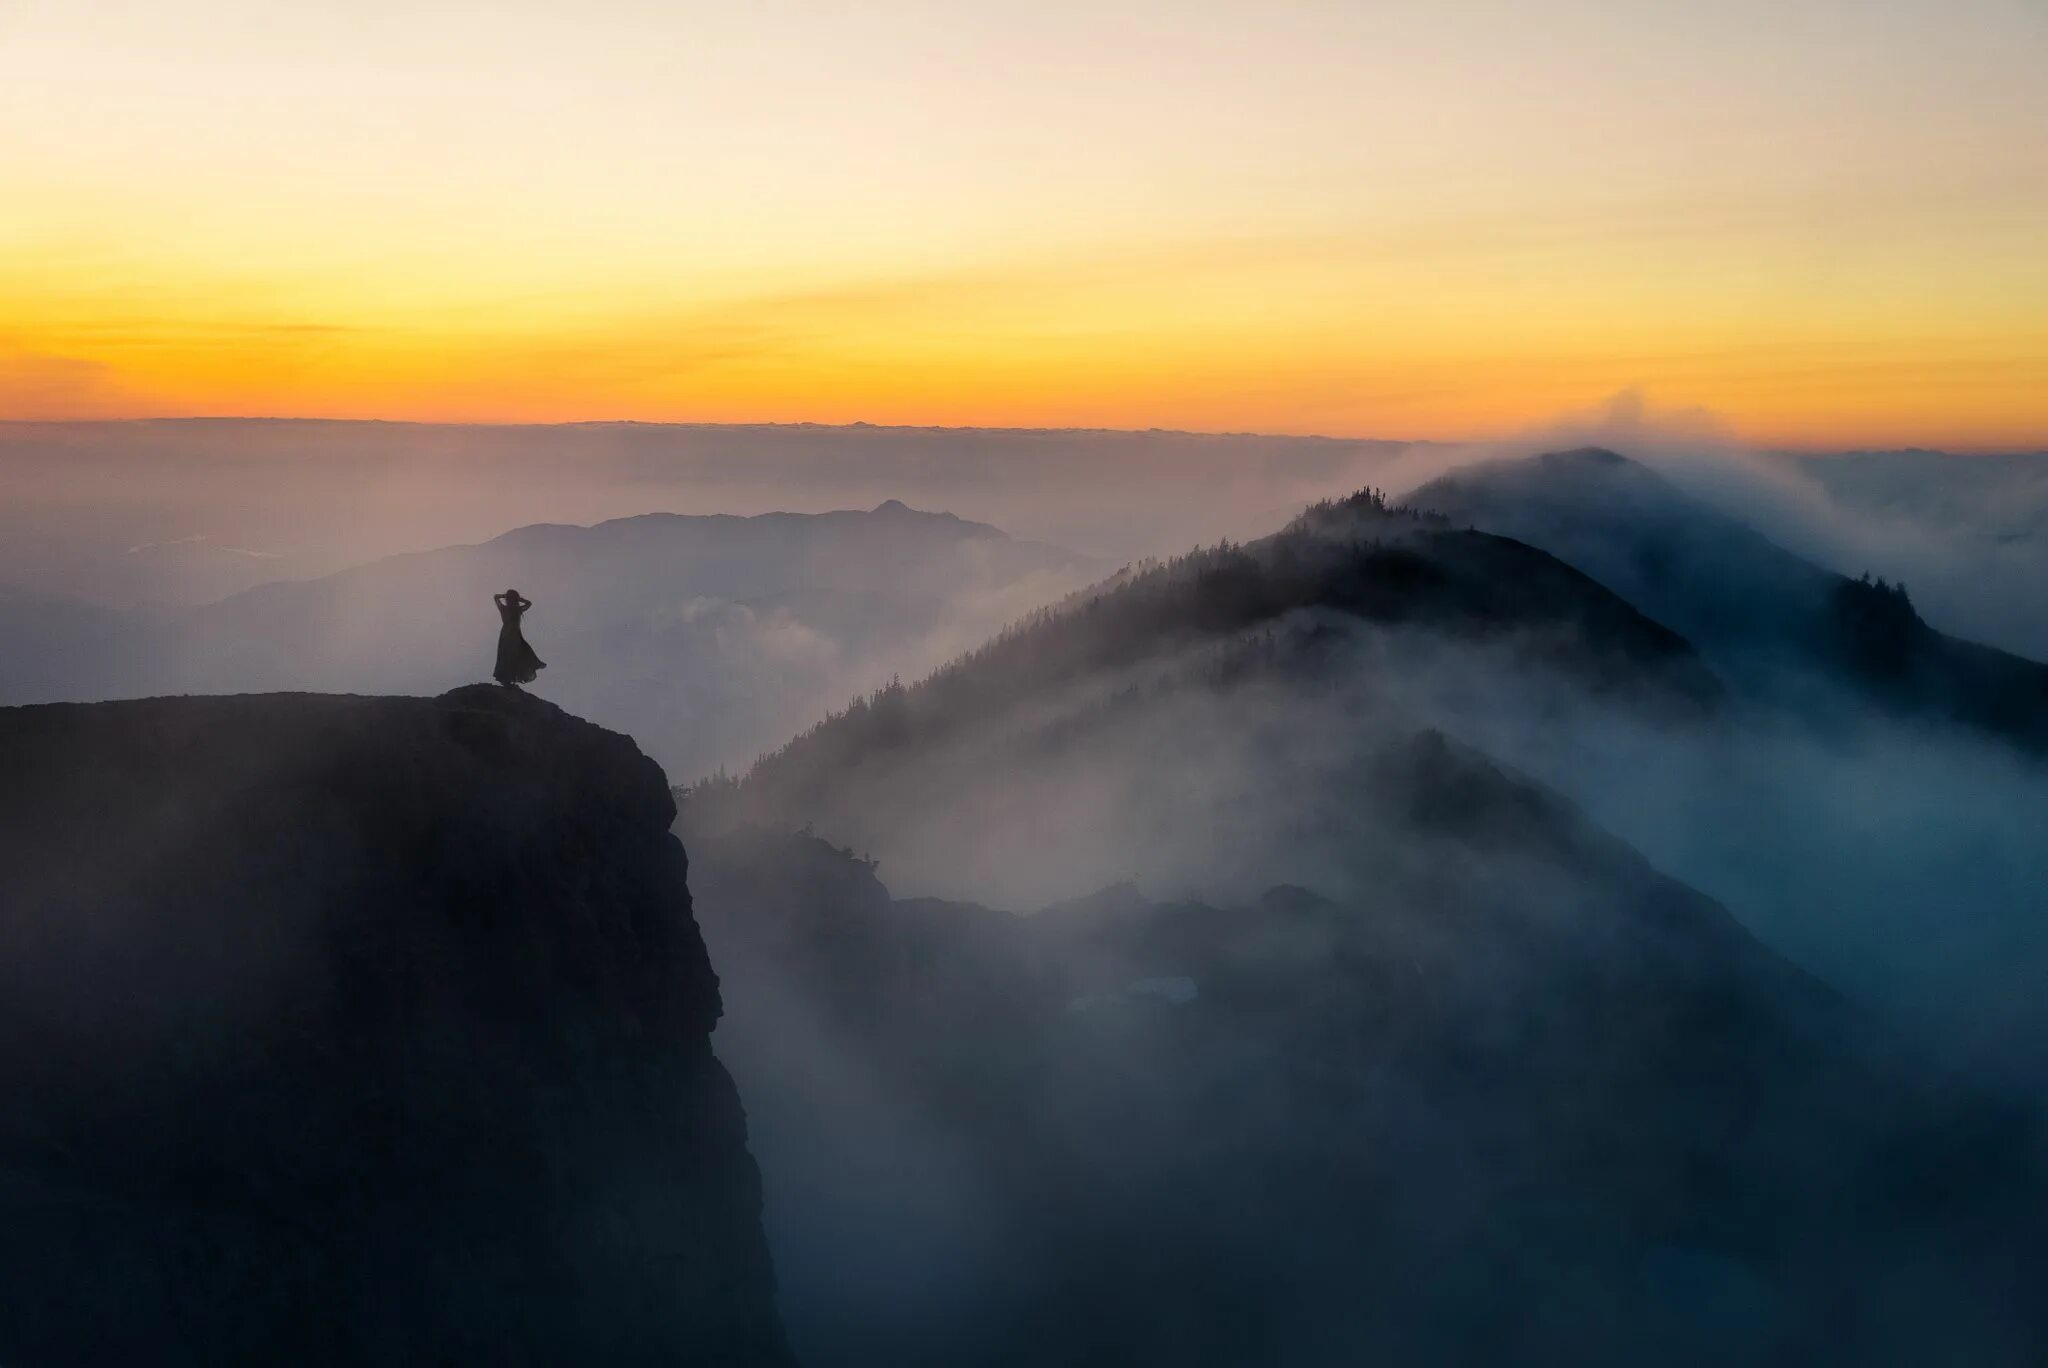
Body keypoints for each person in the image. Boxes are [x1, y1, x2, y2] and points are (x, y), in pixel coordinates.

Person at [492, 588, 546, 688]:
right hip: (511, 635)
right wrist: (518, 599)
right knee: (512, 655)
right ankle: (508, 679)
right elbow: (528, 603)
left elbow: (496, 597)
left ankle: (508, 679)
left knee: (512, 655)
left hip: (509, 634)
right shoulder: (516, 609)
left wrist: (505, 596)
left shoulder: (506, 608)